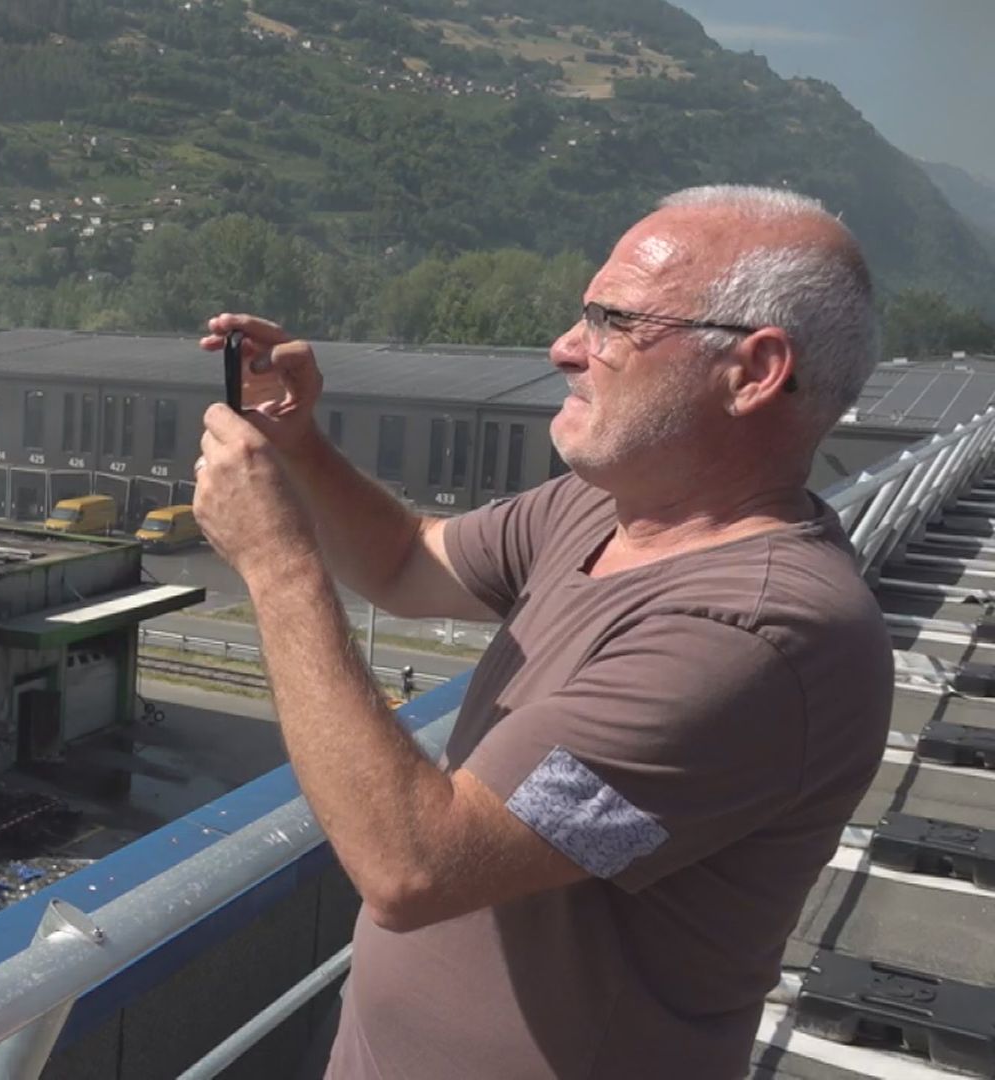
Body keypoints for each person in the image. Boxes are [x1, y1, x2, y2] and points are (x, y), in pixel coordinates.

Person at [189, 185, 892, 1079]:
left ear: (753, 372)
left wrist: (277, 565)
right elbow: (406, 561)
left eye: (614, 323)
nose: (565, 348)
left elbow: (415, 866)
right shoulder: (606, 509)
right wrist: (299, 446)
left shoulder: (758, 636)